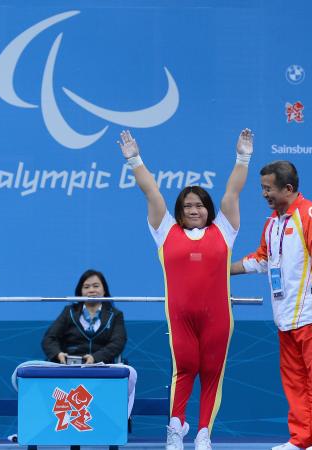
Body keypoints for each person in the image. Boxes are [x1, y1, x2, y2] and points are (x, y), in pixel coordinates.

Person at [119, 128, 252, 450]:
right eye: (188, 206)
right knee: (185, 369)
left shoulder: (225, 230)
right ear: (179, 211)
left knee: (211, 373)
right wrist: (135, 159)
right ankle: (175, 429)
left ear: (208, 209)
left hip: (218, 318)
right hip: (181, 319)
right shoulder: (165, 231)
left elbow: (231, 194)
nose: (194, 210)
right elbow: (152, 194)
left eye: (199, 205)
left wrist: (243, 156)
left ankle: (204, 433)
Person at [231, 160, 312, 450]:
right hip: (285, 318)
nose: (264, 194)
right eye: (262, 188)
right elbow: (262, 259)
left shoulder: (311, 215)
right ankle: (301, 438)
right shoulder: (272, 223)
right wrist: (222, 268)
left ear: (288, 188)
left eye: (268, 189)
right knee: (294, 382)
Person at [12, 269, 137, 418]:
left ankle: (121, 419)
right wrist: (58, 354)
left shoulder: (115, 315)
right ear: (80, 292)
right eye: (86, 287)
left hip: (101, 366)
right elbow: (49, 339)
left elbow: (118, 342)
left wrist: (95, 358)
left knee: (131, 374)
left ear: (104, 290)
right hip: (67, 367)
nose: (91, 290)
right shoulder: (69, 311)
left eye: (96, 286)